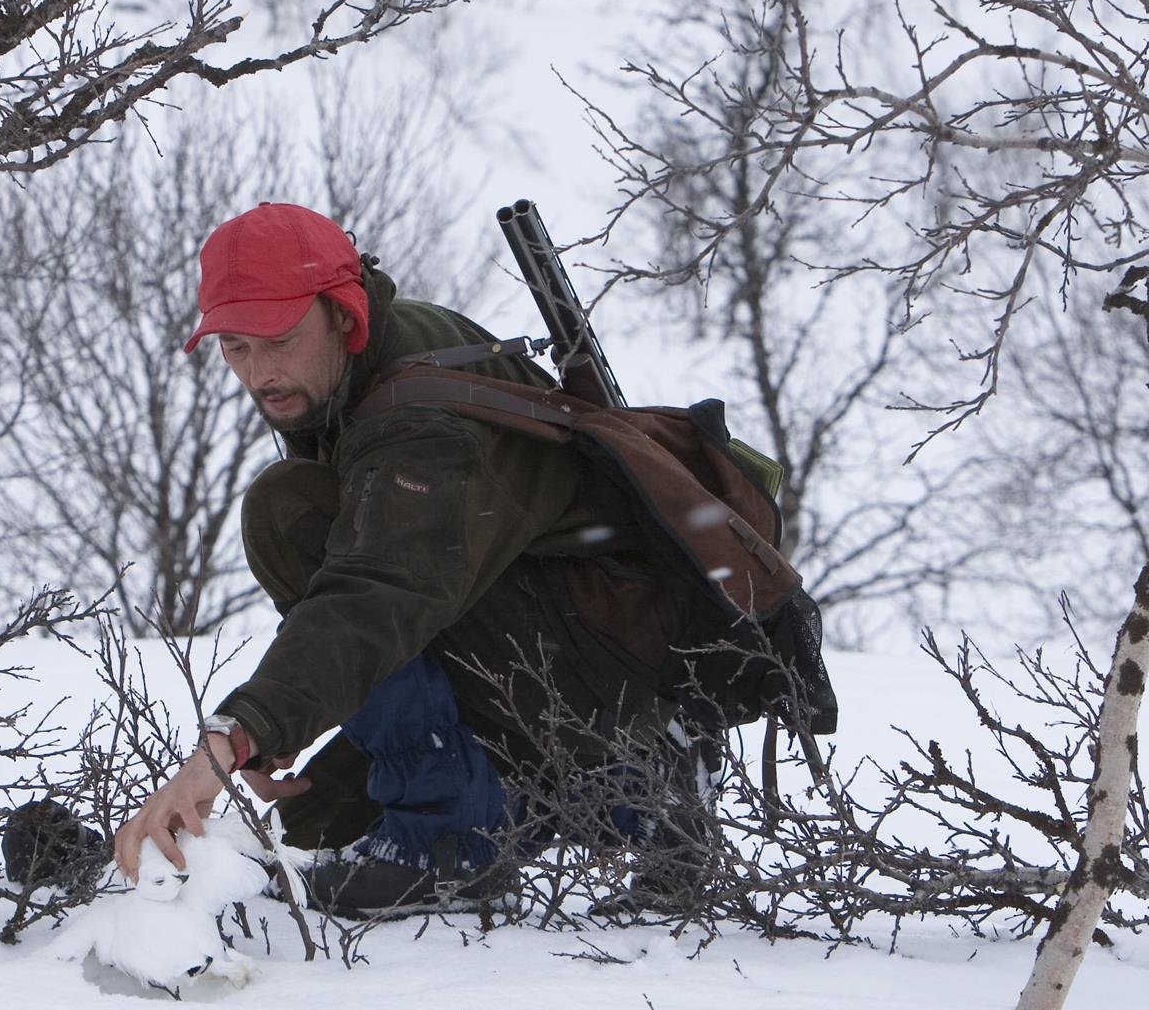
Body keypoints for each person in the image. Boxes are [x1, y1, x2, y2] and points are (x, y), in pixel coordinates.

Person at [91, 201, 704, 919]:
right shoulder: (354, 372)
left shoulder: (417, 419)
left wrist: (237, 733)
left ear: (342, 313)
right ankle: (604, 790)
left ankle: (452, 838)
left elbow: (379, 590)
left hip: (595, 686)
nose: (258, 374)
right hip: (547, 658)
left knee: (287, 510)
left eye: (279, 340)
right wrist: (286, 736)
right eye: (235, 348)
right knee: (307, 826)